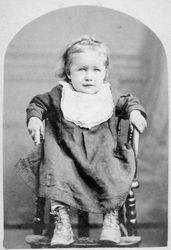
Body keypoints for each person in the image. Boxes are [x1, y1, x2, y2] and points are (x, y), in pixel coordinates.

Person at [25, 35, 147, 246]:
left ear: (105, 73)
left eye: (96, 70)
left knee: (114, 167)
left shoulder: (108, 95)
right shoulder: (60, 94)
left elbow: (129, 102)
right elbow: (38, 103)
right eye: (81, 70)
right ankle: (62, 224)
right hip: (67, 155)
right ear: (68, 73)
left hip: (103, 154)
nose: (89, 76)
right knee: (55, 165)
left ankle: (111, 219)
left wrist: (135, 112)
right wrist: (35, 118)